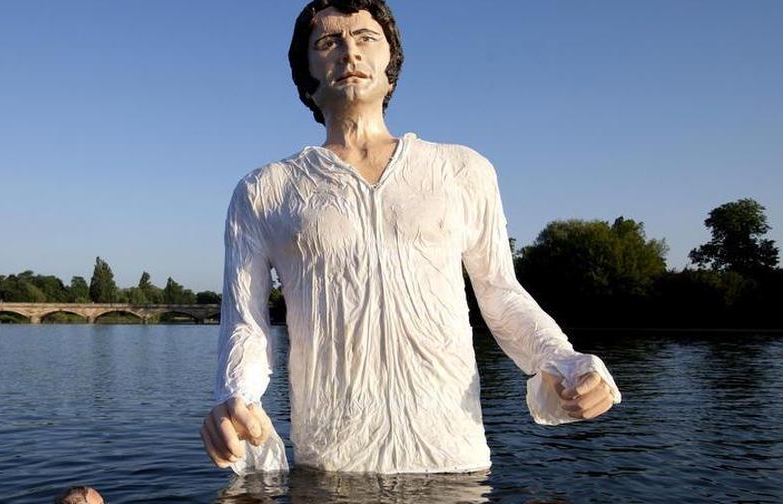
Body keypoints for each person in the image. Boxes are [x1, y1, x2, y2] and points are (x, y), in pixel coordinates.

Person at [202, 0, 621, 475]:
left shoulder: (462, 170)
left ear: (390, 66)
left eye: (365, 39)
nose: (349, 53)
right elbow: (246, 323)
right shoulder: (264, 191)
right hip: (335, 465)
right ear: (306, 75)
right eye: (328, 42)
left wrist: (563, 361)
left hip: (452, 458)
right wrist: (236, 396)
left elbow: (500, 293)